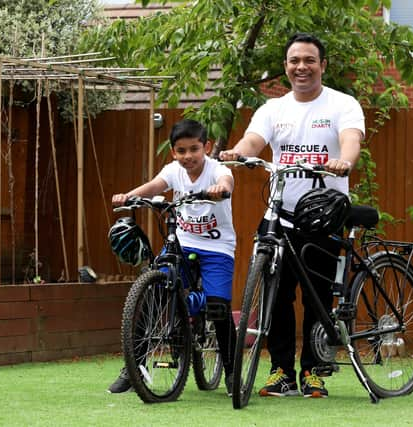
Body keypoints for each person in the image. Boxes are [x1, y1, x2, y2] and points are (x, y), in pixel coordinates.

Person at [219, 33, 365, 399]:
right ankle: (281, 370)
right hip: (281, 214)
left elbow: (351, 139)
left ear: (322, 65)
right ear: (286, 66)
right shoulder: (273, 109)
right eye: (294, 61)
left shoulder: (342, 104)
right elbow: (253, 141)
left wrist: (343, 161)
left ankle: (314, 372)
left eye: (309, 60)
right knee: (276, 295)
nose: (301, 67)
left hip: (323, 215)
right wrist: (238, 152)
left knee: (316, 295)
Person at [108, 118, 237, 396]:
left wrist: (220, 189)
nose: (188, 156)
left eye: (194, 149)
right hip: (182, 242)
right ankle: (134, 367)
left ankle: (232, 371)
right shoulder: (173, 171)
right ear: (173, 152)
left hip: (217, 248)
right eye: (181, 151)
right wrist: (129, 196)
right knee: (153, 290)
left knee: (218, 307)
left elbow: (225, 182)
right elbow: (155, 186)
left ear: (207, 147)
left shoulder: (218, 170)